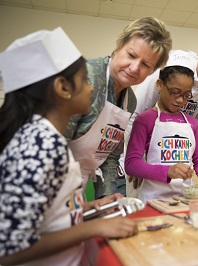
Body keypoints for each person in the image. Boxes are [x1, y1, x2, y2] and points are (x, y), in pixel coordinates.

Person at [0, 27, 138, 266]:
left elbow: (50, 220)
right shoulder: (40, 144)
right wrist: (95, 227)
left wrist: (86, 209)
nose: (92, 87)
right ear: (63, 88)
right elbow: (10, 249)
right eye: (84, 80)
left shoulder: (49, 141)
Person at [64, 17, 172, 199]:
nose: (134, 67)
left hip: (75, 188)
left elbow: (108, 154)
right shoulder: (84, 79)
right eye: (131, 55)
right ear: (117, 47)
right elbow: (52, 146)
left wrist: (106, 201)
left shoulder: (129, 101)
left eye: (146, 65)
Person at [125, 29, 198, 196]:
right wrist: (141, 163)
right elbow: (133, 115)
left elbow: (190, 130)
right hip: (148, 166)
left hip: (178, 168)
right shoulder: (171, 69)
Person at [124, 55, 198, 203]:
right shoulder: (145, 120)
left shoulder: (191, 123)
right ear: (160, 85)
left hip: (185, 198)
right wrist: (167, 171)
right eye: (174, 92)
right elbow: (132, 164)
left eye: (186, 95)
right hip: (154, 199)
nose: (180, 100)